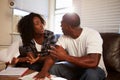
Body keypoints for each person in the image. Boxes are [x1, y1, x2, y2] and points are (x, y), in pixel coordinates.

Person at [48, 13, 107, 80]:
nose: (60, 25)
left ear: (68, 26)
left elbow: (93, 62)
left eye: (62, 23)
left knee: (90, 74)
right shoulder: (64, 37)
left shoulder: (92, 34)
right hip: (76, 67)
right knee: (55, 68)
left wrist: (65, 57)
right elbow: (53, 54)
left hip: (95, 69)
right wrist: (43, 72)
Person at [11, 12, 56, 79]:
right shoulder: (26, 37)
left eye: (41, 22)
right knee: (30, 66)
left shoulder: (50, 35)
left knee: (48, 68)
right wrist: (18, 60)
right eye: (37, 23)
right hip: (36, 63)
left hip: (48, 61)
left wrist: (37, 59)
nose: (41, 25)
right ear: (30, 28)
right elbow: (31, 58)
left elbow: (53, 56)